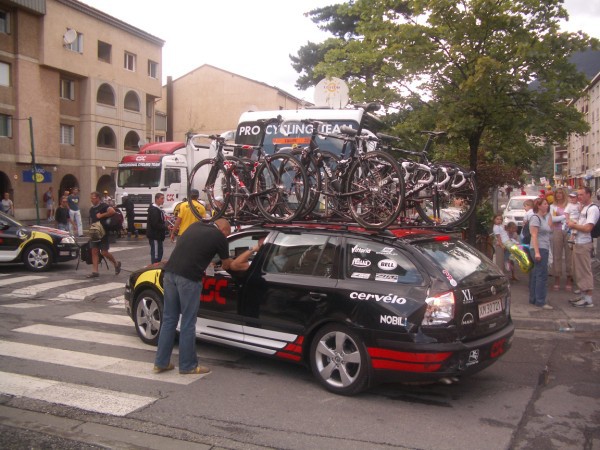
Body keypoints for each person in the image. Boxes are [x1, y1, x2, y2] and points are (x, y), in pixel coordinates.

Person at [154, 219, 233, 375]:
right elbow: (227, 265)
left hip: (170, 274)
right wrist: (220, 263)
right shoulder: (219, 237)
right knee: (188, 322)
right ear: (224, 230)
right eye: (227, 234)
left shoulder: (195, 225)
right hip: (189, 278)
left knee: (169, 319)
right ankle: (188, 365)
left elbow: (191, 249)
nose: (226, 236)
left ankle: (161, 363)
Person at [567, 187, 598, 308]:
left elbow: (587, 228)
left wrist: (573, 225)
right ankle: (583, 295)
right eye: (578, 195)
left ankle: (588, 299)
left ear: (589, 195)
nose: (579, 197)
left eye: (581, 194)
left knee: (585, 271)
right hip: (578, 242)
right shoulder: (583, 207)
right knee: (579, 271)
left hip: (584, 243)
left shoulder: (592, 209)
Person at [87, 191, 121, 278]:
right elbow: (92, 220)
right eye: (91, 198)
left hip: (103, 231)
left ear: (98, 198)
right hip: (95, 231)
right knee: (94, 251)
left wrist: (101, 215)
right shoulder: (91, 209)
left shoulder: (104, 206)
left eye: (93, 198)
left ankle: (116, 263)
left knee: (104, 252)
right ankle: (95, 271)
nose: (91, 200)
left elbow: (112, 211)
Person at [528, 198, 553, 310]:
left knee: (536, 274)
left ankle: (534, 298)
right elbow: (534, 235)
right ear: (538, 206)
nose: (547, 205)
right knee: (541, 275)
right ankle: (540, 301)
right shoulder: (535, 218)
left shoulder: (543, 218)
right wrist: (537, 252)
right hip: (540, 248)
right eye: (545, 204)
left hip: (544, 247)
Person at [549, 187, 572, 291]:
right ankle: (557, 278)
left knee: (569, 255)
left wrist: (563, 217)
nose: (558, 195)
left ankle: (569, 278)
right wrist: (564, 217)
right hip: (557, 230)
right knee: (557, 255)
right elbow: (553, 219)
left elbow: (573, 217)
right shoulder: (553, 206)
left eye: (560, 193)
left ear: (564, 194)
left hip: (568, 231)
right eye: (557, 193)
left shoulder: (570, 205)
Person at [147, 193, 167, 264]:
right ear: (157, 199)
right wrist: (165, 227)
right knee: (156, 256)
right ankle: (153, 270)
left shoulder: (158, 209)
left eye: (163, 198)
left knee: (159, 253)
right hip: (155, 236)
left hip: (159, 236)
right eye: (162, 198)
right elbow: (155, 224)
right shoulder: (154, 210)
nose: (163, 200)